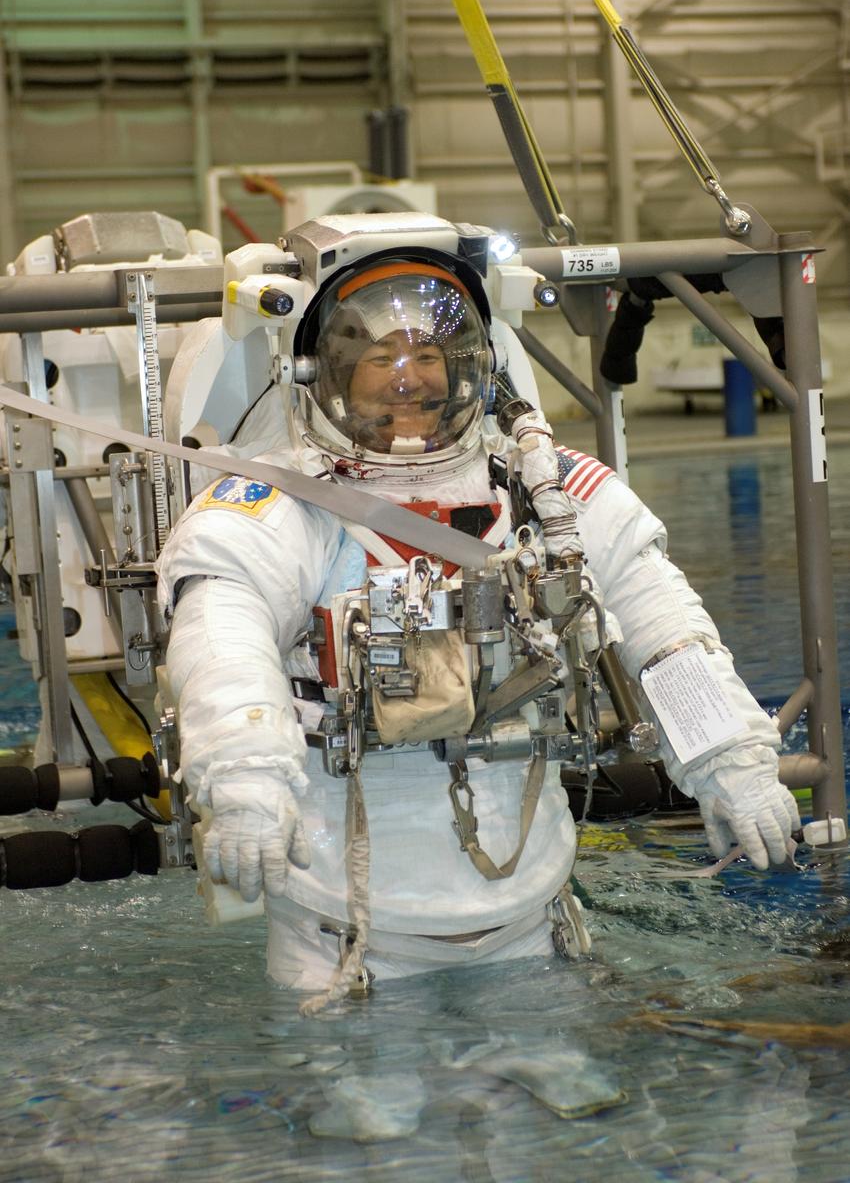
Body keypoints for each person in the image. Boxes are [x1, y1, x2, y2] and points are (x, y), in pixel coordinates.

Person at [157, 237, 800, 995]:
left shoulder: (543, 490)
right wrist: (243, 783)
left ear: (470, 365)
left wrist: (732, 762)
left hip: (525, 908)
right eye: (382, 355)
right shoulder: (276, 506)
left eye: (430, 353)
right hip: (345, 926)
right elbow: (224, 647)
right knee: (367, 1106)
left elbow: (661, 620)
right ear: (325, 373)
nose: (411, 378)